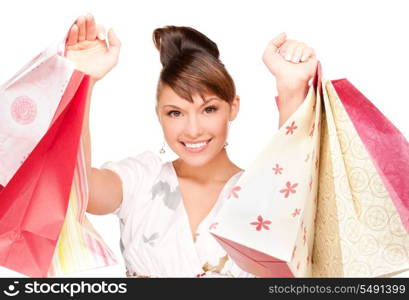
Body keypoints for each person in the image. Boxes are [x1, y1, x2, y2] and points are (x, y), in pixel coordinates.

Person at [65, 13, 318, 277]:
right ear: (159, 114)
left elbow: (296, 188)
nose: (193, 130)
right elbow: (81, 190)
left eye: (209, 109)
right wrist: (80, 83)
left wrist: (291, 87)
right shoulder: (141, 180)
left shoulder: (260, 194)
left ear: (233, 107)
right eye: (175, 113)